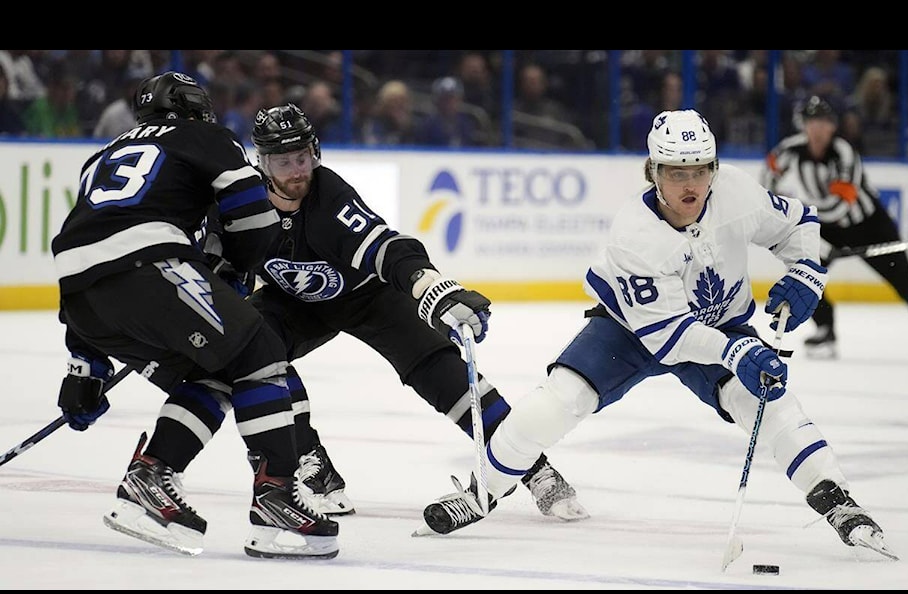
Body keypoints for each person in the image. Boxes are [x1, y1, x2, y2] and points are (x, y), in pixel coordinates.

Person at [416, 109, 896, 561]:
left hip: (719, 325)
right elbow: (669, 337)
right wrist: (738, 349)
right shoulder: (635, 235)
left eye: (700, 170)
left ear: (714, 167)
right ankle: (482, 492)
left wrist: (807, 273)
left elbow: (800, 224)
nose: (691, 184)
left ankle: (838, 500)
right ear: (653, 171)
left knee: (768, 404)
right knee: (556, 402)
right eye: (676, 172)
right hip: (630, 329)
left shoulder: (736, 192)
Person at [175, 103, 588, 522]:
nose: (297, 170)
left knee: (445, 374)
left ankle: (535, 469)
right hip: (291, 304)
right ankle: (312, 468)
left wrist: (433, 289)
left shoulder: (329, 198)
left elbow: (386, 248)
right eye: (283, 162)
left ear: (315, 152)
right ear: (261, 162)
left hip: (367, 298)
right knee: (252, 349)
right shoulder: (240, 203)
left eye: (302, 157)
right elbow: (217, 263)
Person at [50, 71, 338, 559]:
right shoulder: (205, 136)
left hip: (81, 300)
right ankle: (276, 495)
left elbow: (90, 250)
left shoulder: (100, 157)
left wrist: (85, 367)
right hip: (149, 272)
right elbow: (253, 216)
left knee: (216, 370)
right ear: (194, 109)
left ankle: (152, 474)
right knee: (260, 348)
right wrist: (239, 272)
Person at [762, 95, 908, 359]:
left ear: (832, 126)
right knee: (801, 271)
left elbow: (842, 205)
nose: (817, 129)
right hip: (826, 226)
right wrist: (783, 213)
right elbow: (769, 176)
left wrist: (810, 226)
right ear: (804, 126)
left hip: (869, 226)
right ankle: (826, 330)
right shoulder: (790, 149)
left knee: (905, 280)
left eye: (823, 122)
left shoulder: (844, 153)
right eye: (811, 122)